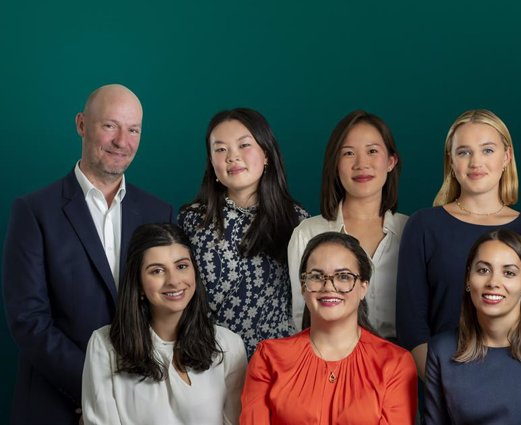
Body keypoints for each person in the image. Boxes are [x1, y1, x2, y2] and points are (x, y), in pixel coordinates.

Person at [2, 84, 174, 425]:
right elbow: (29, 320)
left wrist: (134, 392)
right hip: (56, 404)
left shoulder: (160, 213)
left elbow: (168, 311)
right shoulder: (34, 211)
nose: (122, 141)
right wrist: (98, 389)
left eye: (133, 129)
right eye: (110, 125)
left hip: (142, 404)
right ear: (82, 124)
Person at [396, 109, 521, 379]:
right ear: (451, 162)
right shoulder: (424, 225)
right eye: (464, 152)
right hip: (442, 383)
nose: (476, 162)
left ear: (507, 157)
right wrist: (447, 388)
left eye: (487, 150)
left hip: (519, 384)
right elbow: (412, 328)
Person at [241, 232, 418, 424]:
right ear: (303, 286)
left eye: (343, 276)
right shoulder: (268, 357)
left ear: (363, 287)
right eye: (317, 276)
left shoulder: (395, 363)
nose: (329, 286)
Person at [82, 223, 246, 425]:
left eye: (182, 266)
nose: (174, 281)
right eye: (157, 271)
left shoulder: (229, 345)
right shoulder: (104, 345)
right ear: (139, 284)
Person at [178, 108, 308, 357]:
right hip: (208, 360)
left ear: (266, 153)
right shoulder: (193, 220)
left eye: (244, 145)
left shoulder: (297, 221)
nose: (232, 157)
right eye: (220, 149)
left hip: (278, 362)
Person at [425, 229, 521, 424]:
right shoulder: (441, 349)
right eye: (483, 270)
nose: (493, 282)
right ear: (468, 279)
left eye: (509, 273)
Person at [288, 110, 406, 338]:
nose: (361, 164)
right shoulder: (308, 233)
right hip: (330, 361)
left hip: (402, 362)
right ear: (335, 163)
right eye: (348, 153)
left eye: (372, 151)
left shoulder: (412, 231)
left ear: (391, 161)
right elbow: (302, 316)